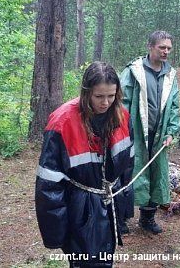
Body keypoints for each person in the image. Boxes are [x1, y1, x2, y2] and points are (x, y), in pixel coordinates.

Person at [35, 61, 134, 267]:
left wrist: (124, 205)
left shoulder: (122, 117)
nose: (105, 102)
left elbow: (127, 167)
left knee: (106, 258)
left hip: (110, 201)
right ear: (86, 92)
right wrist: (56, 230)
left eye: (111, 95)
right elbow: (49, 184)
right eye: (99, 96)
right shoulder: (62, 123)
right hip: (79, 207)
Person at [119, 30, 180, 234]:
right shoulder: (134, 71)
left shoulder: (170, 75)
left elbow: (173, 106)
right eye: (162, 47)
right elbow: (122, 103)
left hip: (159, 135)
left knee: (156, 175)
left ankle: (147, 219)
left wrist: (171, 131)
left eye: (168, 48)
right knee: (128, 174)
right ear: (150, 46)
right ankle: (121, 219)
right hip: (134, 134)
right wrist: (122, 131)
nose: (165, 52)